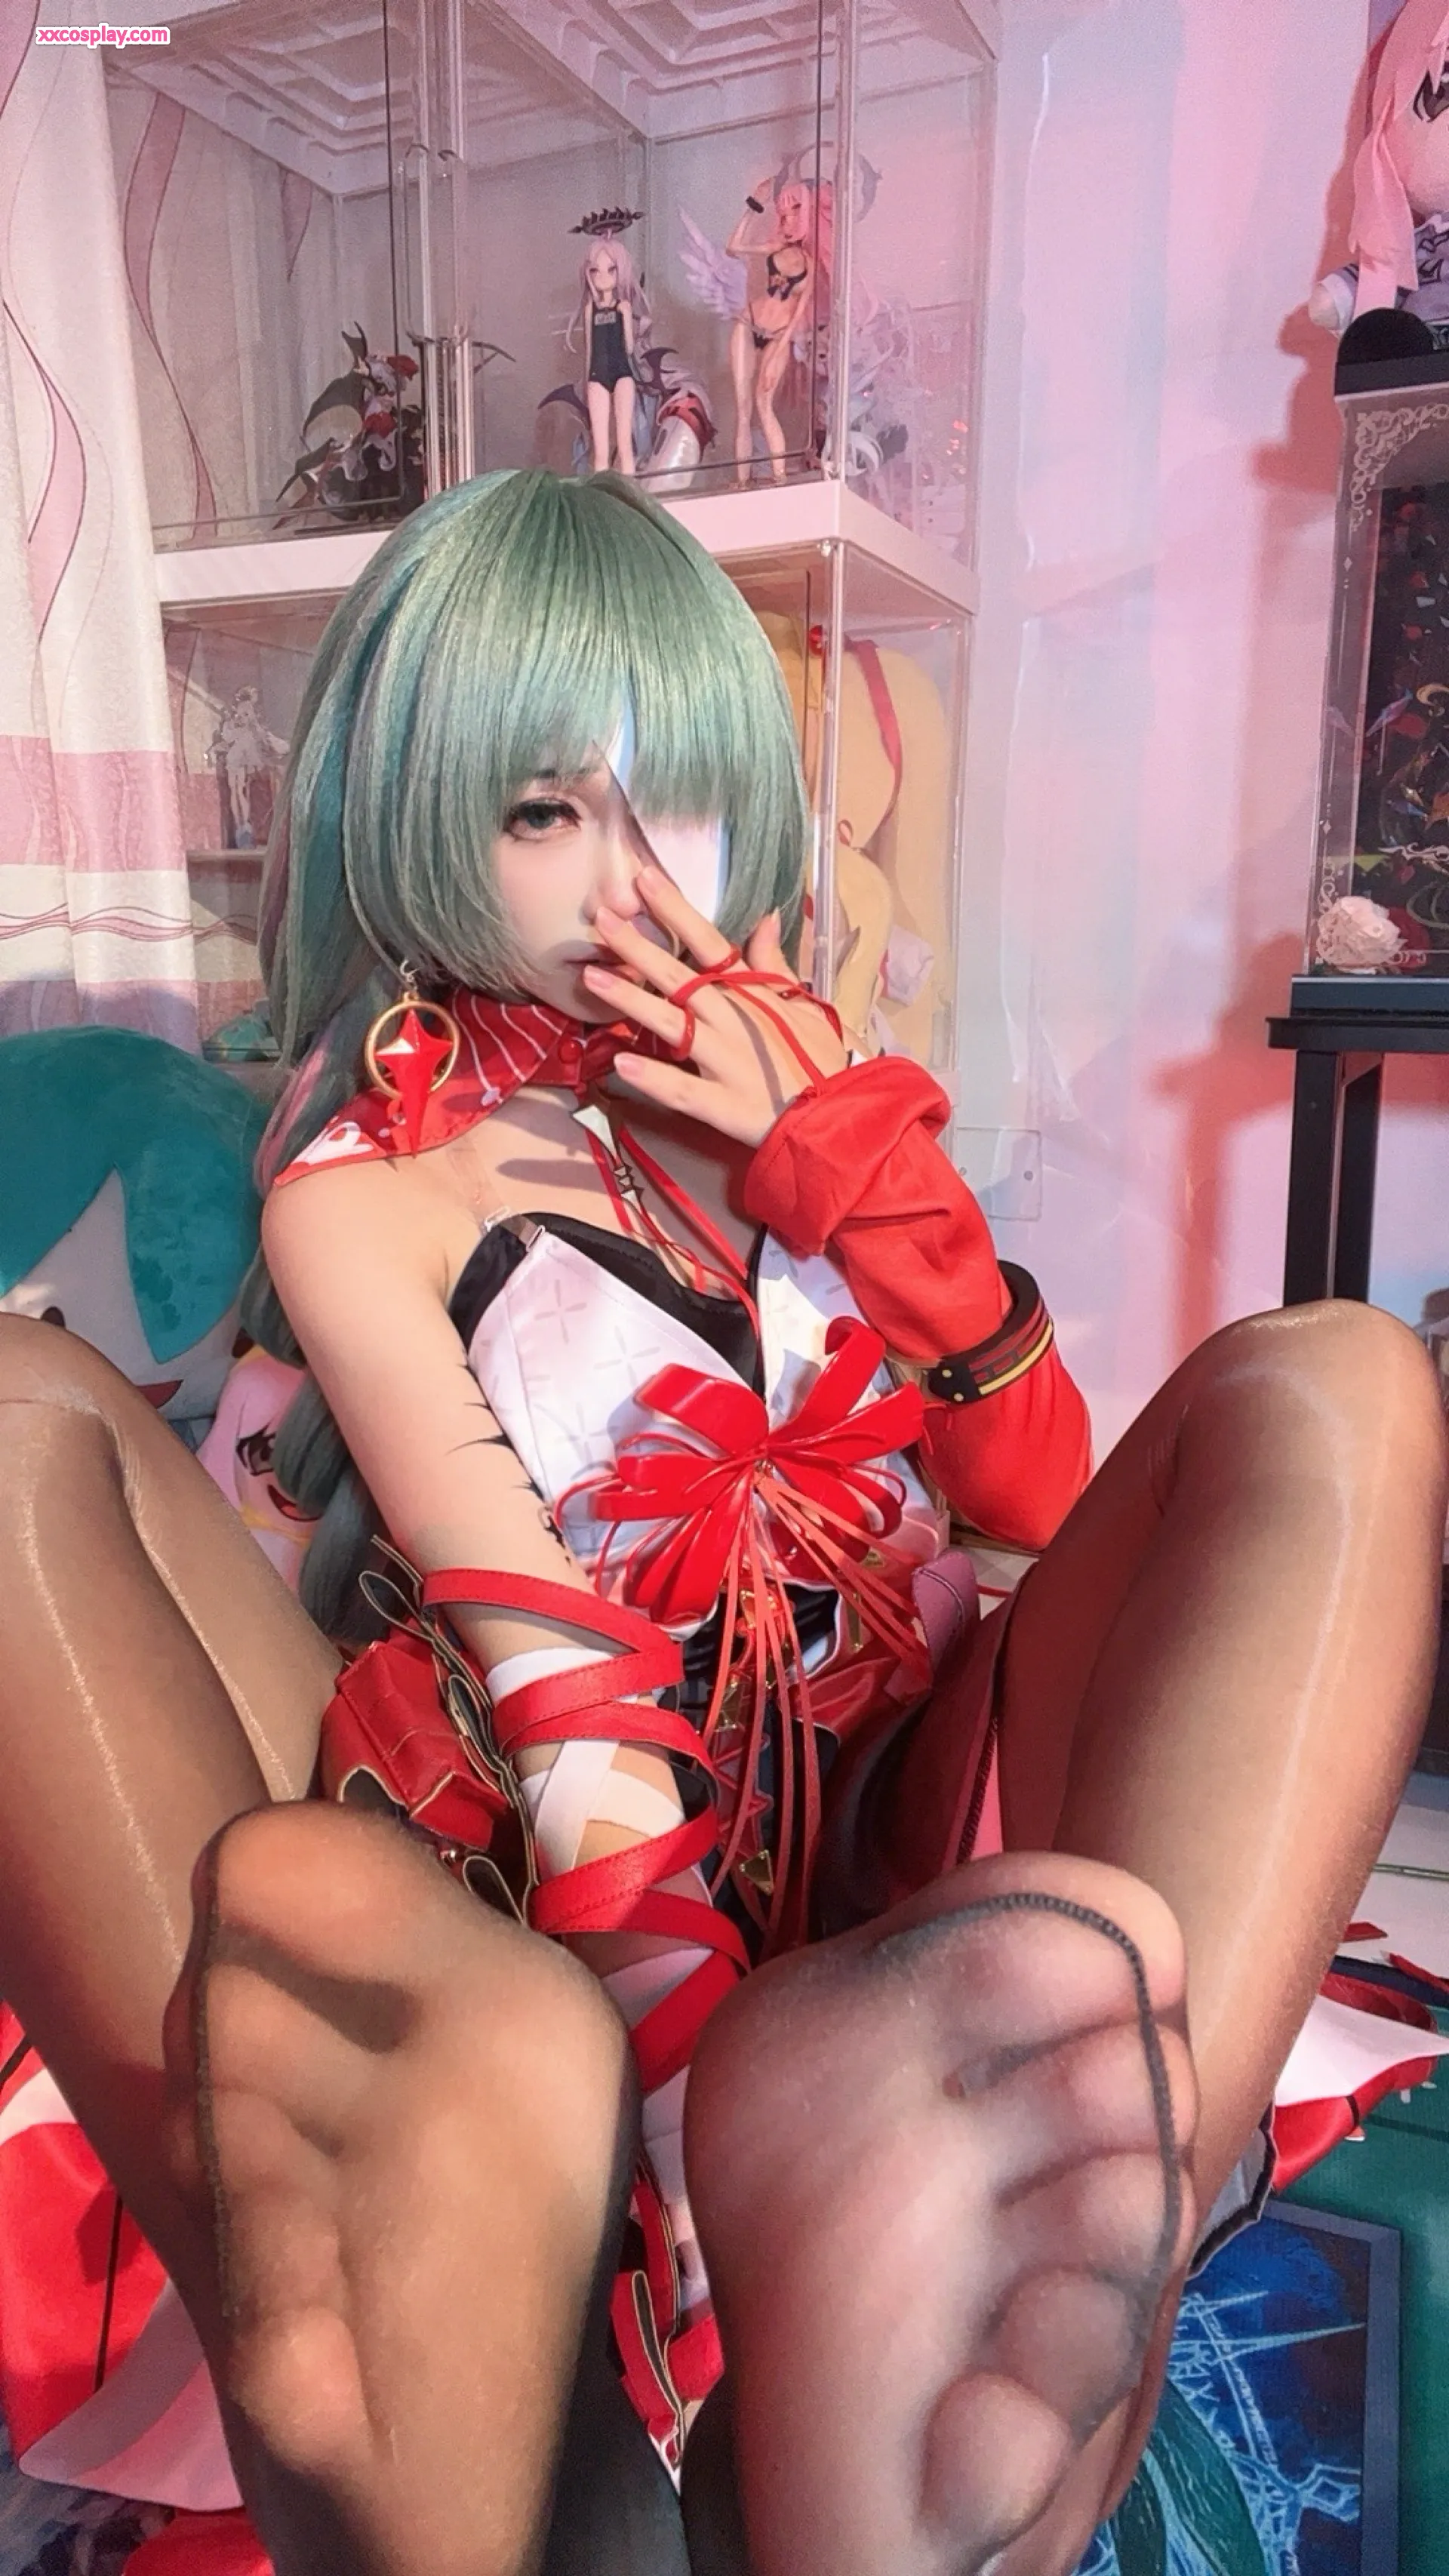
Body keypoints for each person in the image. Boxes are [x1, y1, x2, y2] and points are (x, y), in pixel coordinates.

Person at [0, 467, 1441, 2576]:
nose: (634, 875)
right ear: (422, 813)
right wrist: (682, 2147)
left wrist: (858, 1167)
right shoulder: (373, 1184)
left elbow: (1037, 1505)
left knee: (1346, 1381)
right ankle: (581, 2327)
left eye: (673, 791)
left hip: (886, 1808)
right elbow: (552, 1684)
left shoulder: (800, 1066)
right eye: (542, 810)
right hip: (567, 1871)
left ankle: (1058, 2323)